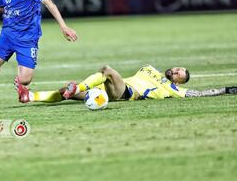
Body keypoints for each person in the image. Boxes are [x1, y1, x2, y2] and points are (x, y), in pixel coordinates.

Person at [16, 64, 237, 104]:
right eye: (179, 68)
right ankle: (30, 96)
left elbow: (199, 94)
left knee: (108, 71)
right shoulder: (150, 68)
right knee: (64, 92)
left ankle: (80, 87)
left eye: (180, 74)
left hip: (125, 92)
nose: (177, 71)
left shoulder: (173, 90)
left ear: (179, 81)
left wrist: (226, 90)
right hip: (104, 91)